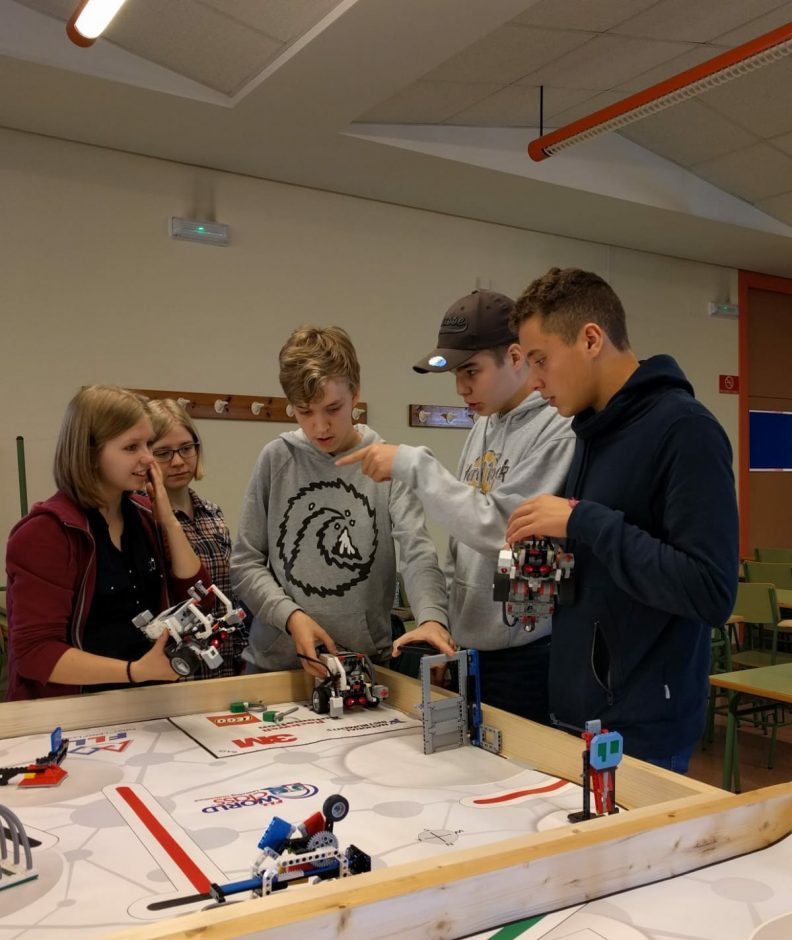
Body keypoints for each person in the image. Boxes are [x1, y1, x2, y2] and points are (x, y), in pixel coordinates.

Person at [504, 266, 738, 771]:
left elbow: (711, 592)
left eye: (541, 360)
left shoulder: (687, 430)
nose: (535, 381)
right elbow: (605, 566)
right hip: (575, 712)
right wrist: (541, 562)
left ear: (591, 339)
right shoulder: (589, 432)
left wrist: (583, 520)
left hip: (643, 730)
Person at [337, 290, 575, 720]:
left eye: (471, 371)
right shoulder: (483, 423)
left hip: (528, 654)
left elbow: (503, 528)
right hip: (472, 648)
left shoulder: (558, 428)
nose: (461, 388)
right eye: (456, 374)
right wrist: (444, 623)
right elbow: (460, 542)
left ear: (515, 357)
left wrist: (414, 465)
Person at [231, 325, 453, 678]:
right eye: (304, 412)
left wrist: (431, 618)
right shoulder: (276, 459)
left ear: (355, 393)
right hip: (276, 665)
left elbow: (417, 553)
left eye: (332, 409)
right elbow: (245, 563)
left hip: (364, 664)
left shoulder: (387, 463)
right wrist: (291, 617)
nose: (320, 427)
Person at [5, 385, 209, 700]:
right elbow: (35, 652)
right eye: (131, 447)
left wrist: (168, 520)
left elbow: (201, 602)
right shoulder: (46, 533)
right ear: (89, 454)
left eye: (148, 444)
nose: (148, 458)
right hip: (75, 709)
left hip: (148, 701)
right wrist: (135, 671)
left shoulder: (144, 516)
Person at [147, 398, 248, 679]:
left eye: (186, 448)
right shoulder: (143, 520)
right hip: (175, 671)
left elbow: (230, 594)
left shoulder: (212, 514)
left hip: (224, 662)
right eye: (163, 453)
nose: (178, 461)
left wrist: (242, 653)